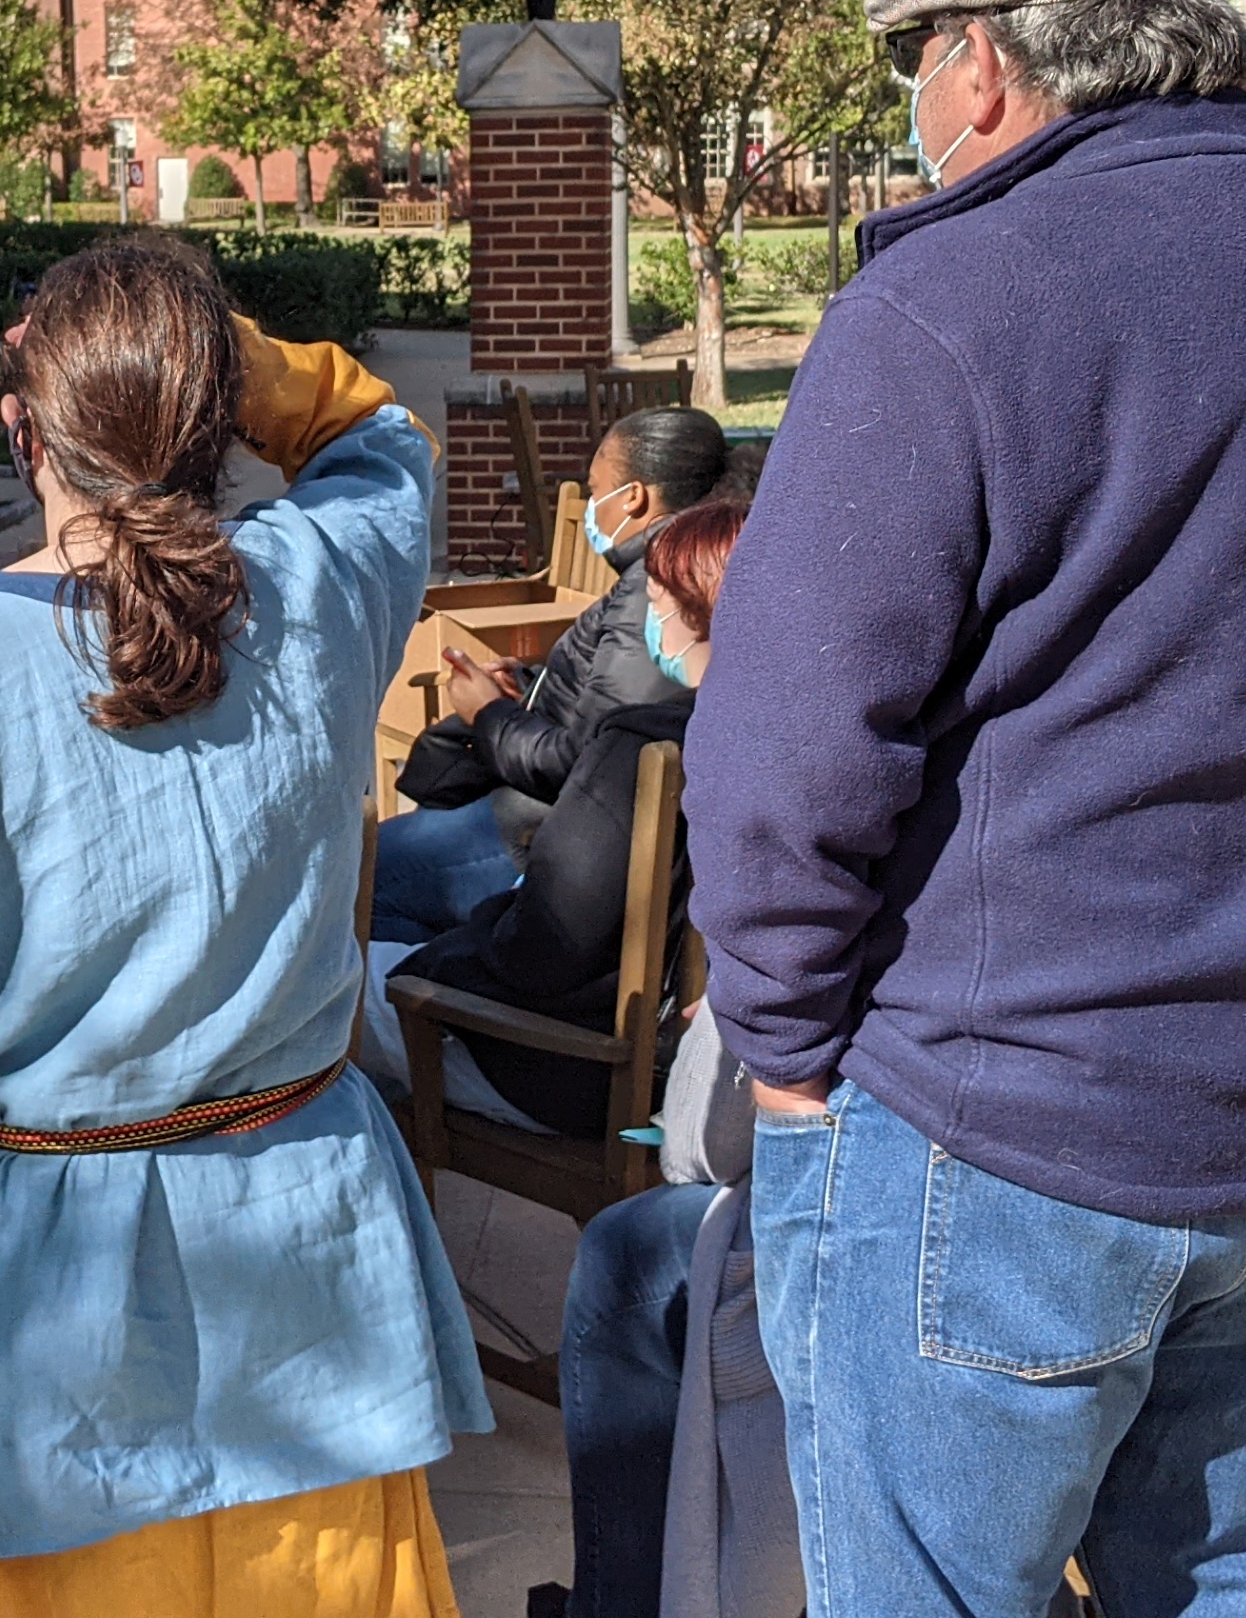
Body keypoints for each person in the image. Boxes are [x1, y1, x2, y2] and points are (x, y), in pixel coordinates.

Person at [684, 0, 1246, 1616]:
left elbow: (783, 754)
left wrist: (781, 1054)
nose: (917, 106)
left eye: (917, 62)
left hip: (994, 1125)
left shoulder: (939, 309)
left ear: (982, 64)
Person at [0, 235, 490, 1613]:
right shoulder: (319, 593)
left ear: (19, 429)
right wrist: (228, 352)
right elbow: (380, 433)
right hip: (313, 1269)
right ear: (218, 422)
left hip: (50, 1303)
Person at [525, 506, 801, 1618]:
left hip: (897, 1214)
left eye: (675, 623)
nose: (664, 646)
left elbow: (711, 1146)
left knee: (634, 1253)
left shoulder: (761, 779)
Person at [359, 498, 745, 1139]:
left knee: (331, 985)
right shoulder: (786, 736)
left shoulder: (639, 747)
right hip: (685, 1075)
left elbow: (542, 949)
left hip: (567, 1073)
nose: (649, 622)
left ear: (692, 611)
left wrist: (454, 947)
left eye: (651, 602)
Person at [376, 406, 728, 943]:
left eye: (595, 489)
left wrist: (487, 713)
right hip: (550, 813)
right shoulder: (686, 565)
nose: (592, 508)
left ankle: (442, 1000)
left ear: (632, 496)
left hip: (545, 830)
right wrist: (532, 681)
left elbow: (591, 762)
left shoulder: (657, 590)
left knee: (352, 881)